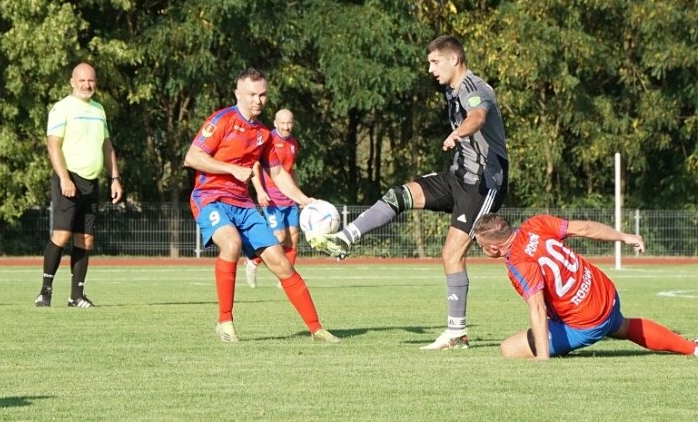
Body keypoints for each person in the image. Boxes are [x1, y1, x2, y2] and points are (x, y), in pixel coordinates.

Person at [311, 35, 509, 350]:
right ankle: (345, 238)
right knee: (399, 195)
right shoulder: (452, 90)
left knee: (452, 254)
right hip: (457, 176)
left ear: (454, 59)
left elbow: (478, 117)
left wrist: (458, 132)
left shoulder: (475, 88)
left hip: (484, 183)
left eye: (435, 62)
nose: (430, 69)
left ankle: (457, 333)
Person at [183, 68, 339, 344]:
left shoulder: (264, 134)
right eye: (252, 94)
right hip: (210, 197)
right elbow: (192, 157)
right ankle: (225, 321)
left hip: (243, 204)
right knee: (230, 244)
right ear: (238, 94)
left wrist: (305, 200)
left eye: (263, 94)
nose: (258, 100)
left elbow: (278, 174)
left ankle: (316, 329)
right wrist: (232, 170)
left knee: (280, 261)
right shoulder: (222, 120)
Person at [472, 213, 698, 359]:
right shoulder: (536, 223)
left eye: (480, 246)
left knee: (509, 349)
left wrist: (542, 357)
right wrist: (625, 237)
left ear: (494, 247)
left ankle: (560, 344)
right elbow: (584, 229)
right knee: (622, 326)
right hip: (605, 293)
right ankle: (694, 348)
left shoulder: (518, 262)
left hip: (586, 322)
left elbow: (537, 307)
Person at [34, 62, 123, 308]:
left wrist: (114, 178)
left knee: (85, 240)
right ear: (73, 82)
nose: (87, 85)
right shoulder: (62, 108)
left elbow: (107, 145)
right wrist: (64, 177)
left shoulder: (99, 109)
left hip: (92, 182)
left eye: (91, 80)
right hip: (69, 179)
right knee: (61, 237)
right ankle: (45, 291)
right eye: (82, 80)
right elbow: (53, 145)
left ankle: (77, 296)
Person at [244, 109, 302, 289]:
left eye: (289, 123)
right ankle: (253, 261)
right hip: (272, 198)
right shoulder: (267, 139)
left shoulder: (293, 143)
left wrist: (298, 194)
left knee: (292, 238)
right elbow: (254, 165)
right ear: (275, 123)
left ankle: (285, 279)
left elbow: (291, 170)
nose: (286, 126)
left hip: (289, 198)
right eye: (282, 123)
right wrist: (260, 191)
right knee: (278, 236)